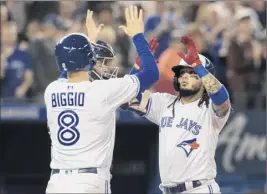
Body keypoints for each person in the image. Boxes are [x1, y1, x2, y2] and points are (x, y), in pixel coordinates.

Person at [44, 6, 159, 193]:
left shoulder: (51, 90)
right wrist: (138, 35)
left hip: (56, 183)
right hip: (89, 181)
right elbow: (152, 72)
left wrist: (88, 42)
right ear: (89, 60)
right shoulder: (101, 91)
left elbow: (68, 68)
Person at [126, 36, 231, 193]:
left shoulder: (209, 108)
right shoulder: (164, 102)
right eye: (181, 72)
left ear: (204, 77)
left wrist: (198, 65)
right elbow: (128, 99)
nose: (184, 76)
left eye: (191, 73)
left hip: (199, 189)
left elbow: (222, 100)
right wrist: (137, 70)